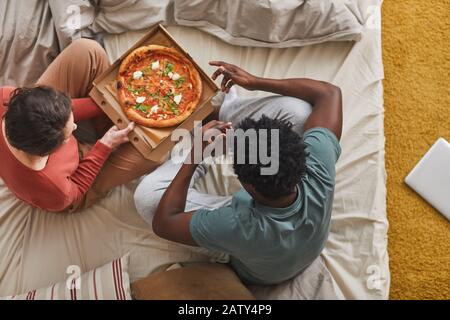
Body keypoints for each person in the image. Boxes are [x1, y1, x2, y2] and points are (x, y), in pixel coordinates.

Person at [133, 61, 342, 285]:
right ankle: (223, 119)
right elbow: (330, 93)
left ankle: (206, 147)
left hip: (248, 257)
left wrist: (194, 156)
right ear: (301, 155)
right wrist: (255, 82)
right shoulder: (319, 160)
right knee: (300, 112)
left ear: (247, 185)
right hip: (292, 247)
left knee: (147, 197)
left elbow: (164, 223)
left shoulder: (236, 225)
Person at [0, 39, 159, 212]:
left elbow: (59, 115)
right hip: (74, 185)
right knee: (153, 151)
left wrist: (112, 101)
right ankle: (106, 133)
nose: (76, 127)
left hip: (44, 131)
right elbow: (76, 192)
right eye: (68, 134)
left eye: (71, 122)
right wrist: (105, 146)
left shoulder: (5, 97)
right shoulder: (56, 190)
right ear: (49, 152)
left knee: (87, 51)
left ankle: (106, 119)